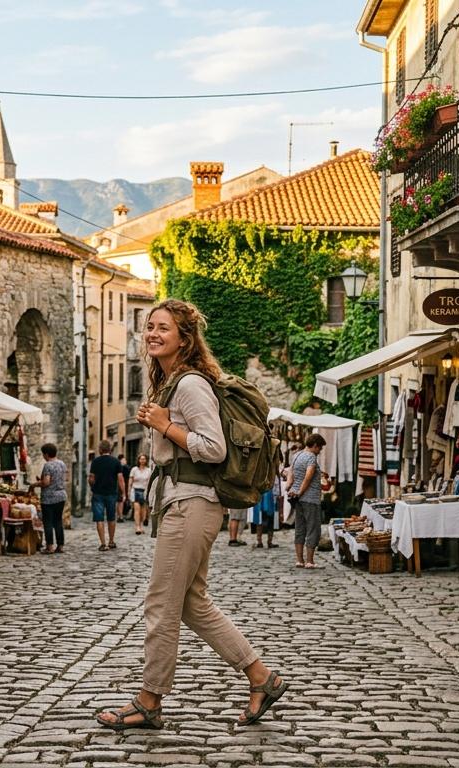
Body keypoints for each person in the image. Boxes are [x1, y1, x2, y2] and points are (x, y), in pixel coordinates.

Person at [95, 299, 286, 732]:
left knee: (161, 604)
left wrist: (165, 425)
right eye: (149, 327)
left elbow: (213, 447)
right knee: (193, 604)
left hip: (191, 502)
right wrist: (162, 421)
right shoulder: (170, 383)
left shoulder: (190, 385)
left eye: (163, 328)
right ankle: (261, 677)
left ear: (185, 337)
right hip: (184, 501)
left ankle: (149, 701)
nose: (153, 334)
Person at [288, 433, 326, 569]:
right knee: (313, 529)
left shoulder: (296, 456)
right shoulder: (311, 458)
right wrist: (301, 492)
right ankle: (310, 561)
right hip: (310, 498)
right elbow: (308, 477)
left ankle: (299, 560)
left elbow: (291, 475)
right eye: (320, 448)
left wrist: (291, 489)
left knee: (300, 528)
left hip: (297, 499)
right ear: (315, 445)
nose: (320, 451)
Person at [88, 440, 125, 551]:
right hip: (111, 493)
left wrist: (92, 485)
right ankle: (111, 541)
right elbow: (120, 479)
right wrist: (123, 492)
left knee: (99, 519)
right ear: (110, 449)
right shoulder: (116, 462)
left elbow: (91, 478)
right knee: (111, 518)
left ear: (100, 449)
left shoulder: (95, 462)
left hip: (98, 493)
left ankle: (103, 544)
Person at [32, 443, 68, 554]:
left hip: (49, 498)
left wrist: (36, 484)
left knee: (48, 522)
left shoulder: (48, 465)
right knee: (58, 521)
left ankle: (50, 546)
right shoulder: (62, 464)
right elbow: (62, 478)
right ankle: (60, 546)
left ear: (47, 454)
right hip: (61, 495)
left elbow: (46, 482)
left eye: (43, 454)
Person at [129, 454, 153, 535]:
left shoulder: (148, 470)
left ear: (146, 460)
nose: (142, 460)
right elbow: (130, 481)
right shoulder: (134, 469)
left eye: (144, 459)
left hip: (144, 491)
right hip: (135, 490)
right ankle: (137, 527)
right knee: (137, 510)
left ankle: (141, 526)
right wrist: (129, 491)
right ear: (138, 460)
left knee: (143, 511)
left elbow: (150, 482)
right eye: (141, 459)